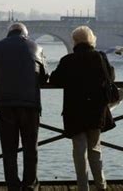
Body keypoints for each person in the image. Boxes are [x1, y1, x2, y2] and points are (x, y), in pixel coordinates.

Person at [49, 26, 115, 191]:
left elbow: (55, 80)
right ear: (91, 39)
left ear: (75, 41)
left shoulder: (67, 60)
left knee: (79, 152)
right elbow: (111, 77)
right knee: (95, 149)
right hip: (96, 110)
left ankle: (82, 187)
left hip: (75, 111)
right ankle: (101, 185)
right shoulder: (100, 57)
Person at [0, 22, 48, 191]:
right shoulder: (37, 48)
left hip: (5, 105)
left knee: (9, 148)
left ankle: (13, 186)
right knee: (30, 148)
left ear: (9, 33)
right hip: (30, 105)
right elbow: (44, 78)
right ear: (25, 34)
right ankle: (30, 185)